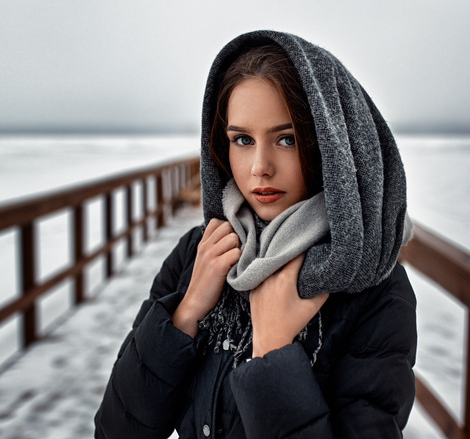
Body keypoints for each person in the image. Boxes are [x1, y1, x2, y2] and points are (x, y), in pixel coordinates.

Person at [94, 30, 417, 439]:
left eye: (287, 139)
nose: (259, 167)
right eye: (242, 140)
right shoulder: (200, 251)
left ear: (331, 146)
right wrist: (187, 312)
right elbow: (114, 431)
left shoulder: (373, 288)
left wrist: (274, 351)